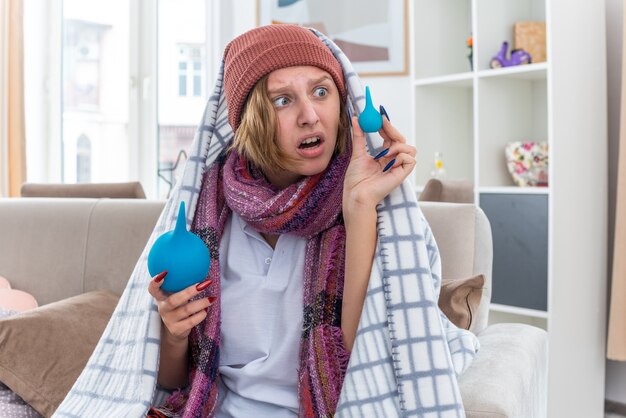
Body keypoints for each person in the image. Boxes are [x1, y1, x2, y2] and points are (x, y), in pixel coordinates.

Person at [147, 24, 416, 417]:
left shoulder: (368, 202)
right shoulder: (209, 209)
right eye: (282, 100)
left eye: (321, 92)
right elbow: (174, 384)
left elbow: (369, 366)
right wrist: (174, 332)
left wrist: (358, 206)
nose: (310, 116)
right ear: (250, 120)